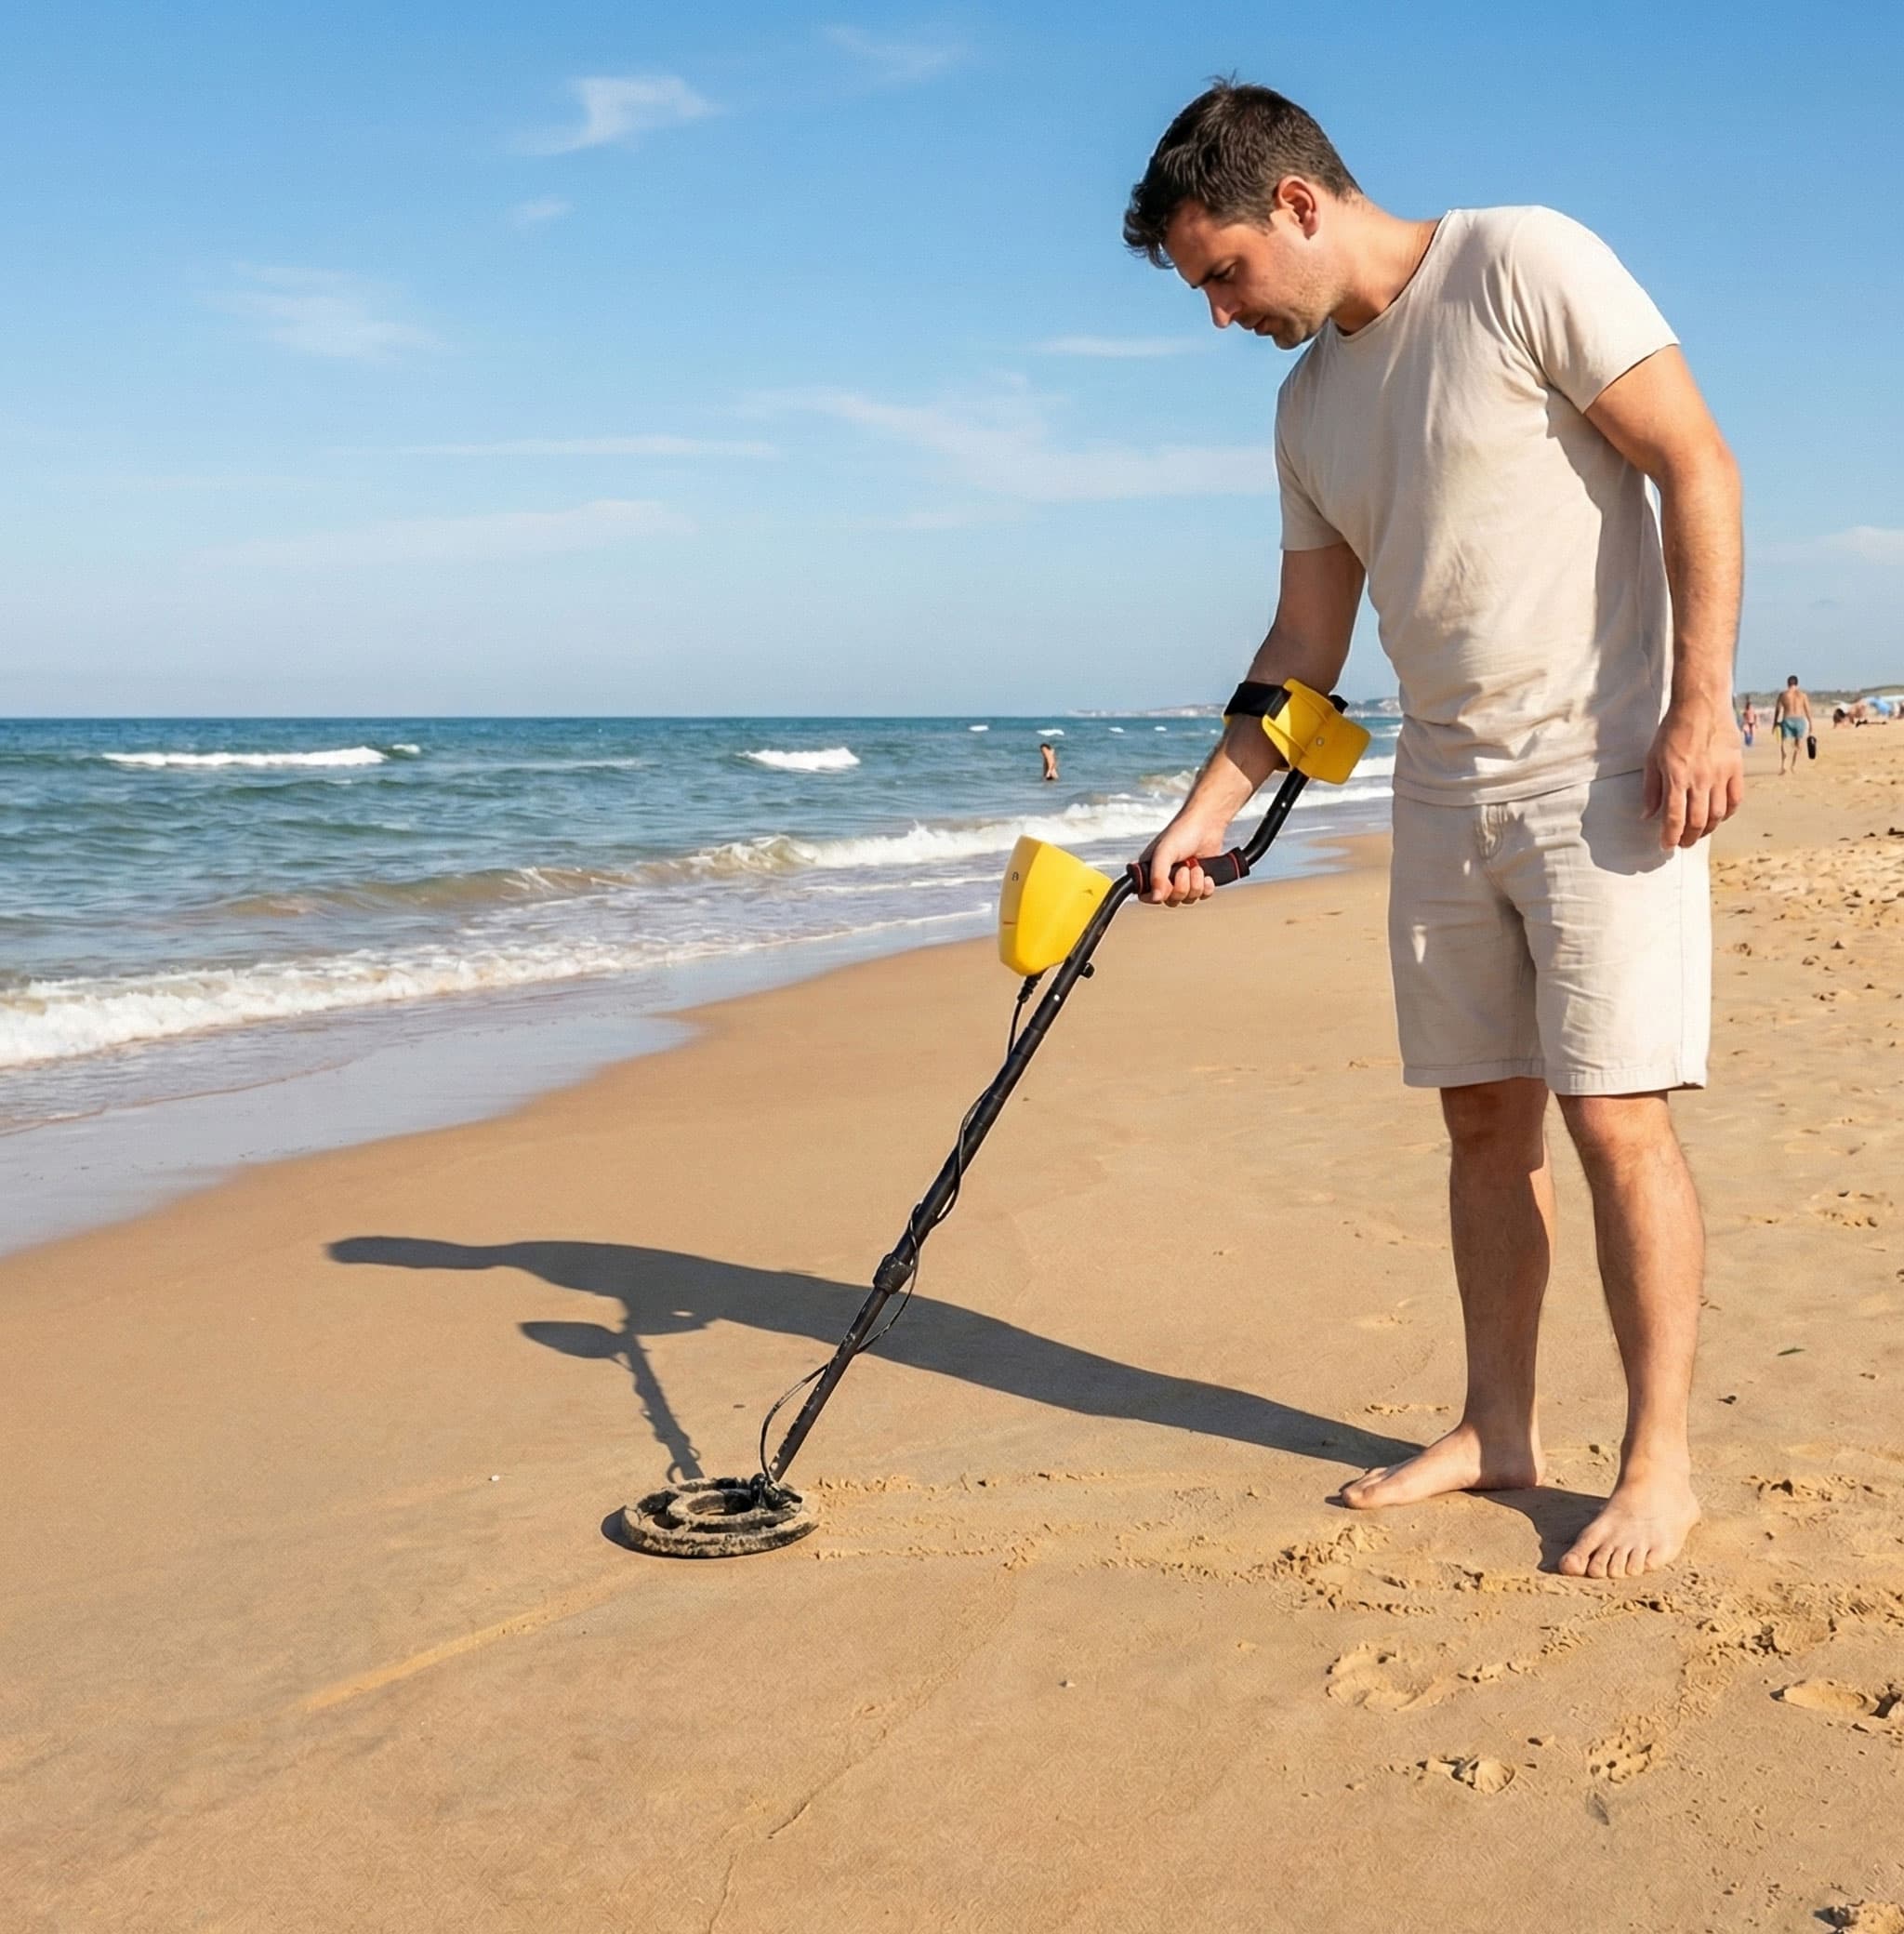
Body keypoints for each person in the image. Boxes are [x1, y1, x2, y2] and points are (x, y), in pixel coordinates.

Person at [1124, 83, 1742, 1579]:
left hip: (1606, 769)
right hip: (1441, 788)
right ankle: (1499, 1429)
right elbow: (1305, 641)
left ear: (1295, 204)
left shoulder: (1520, 261)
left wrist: (1703, 704)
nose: (1220, 315)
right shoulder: (1305, 409)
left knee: (1615, 1115)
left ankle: (1660, 1464)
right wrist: (1203, 812)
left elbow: (1692, 461)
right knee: (1482, 1122)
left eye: (1222, 276)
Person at [1774, 675, 1813, 773]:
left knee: (1785, 743)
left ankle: (1784, 766)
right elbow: (1808, 710)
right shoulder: (1803, 695)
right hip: (1800, 720)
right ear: (1797, 683)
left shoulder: (1783, 695)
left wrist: (1775, 722)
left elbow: (1778, 709)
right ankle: (1793, 766)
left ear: (1788, 683)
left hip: (1787, 719)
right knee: (1798, 745)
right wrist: (1811, 723)